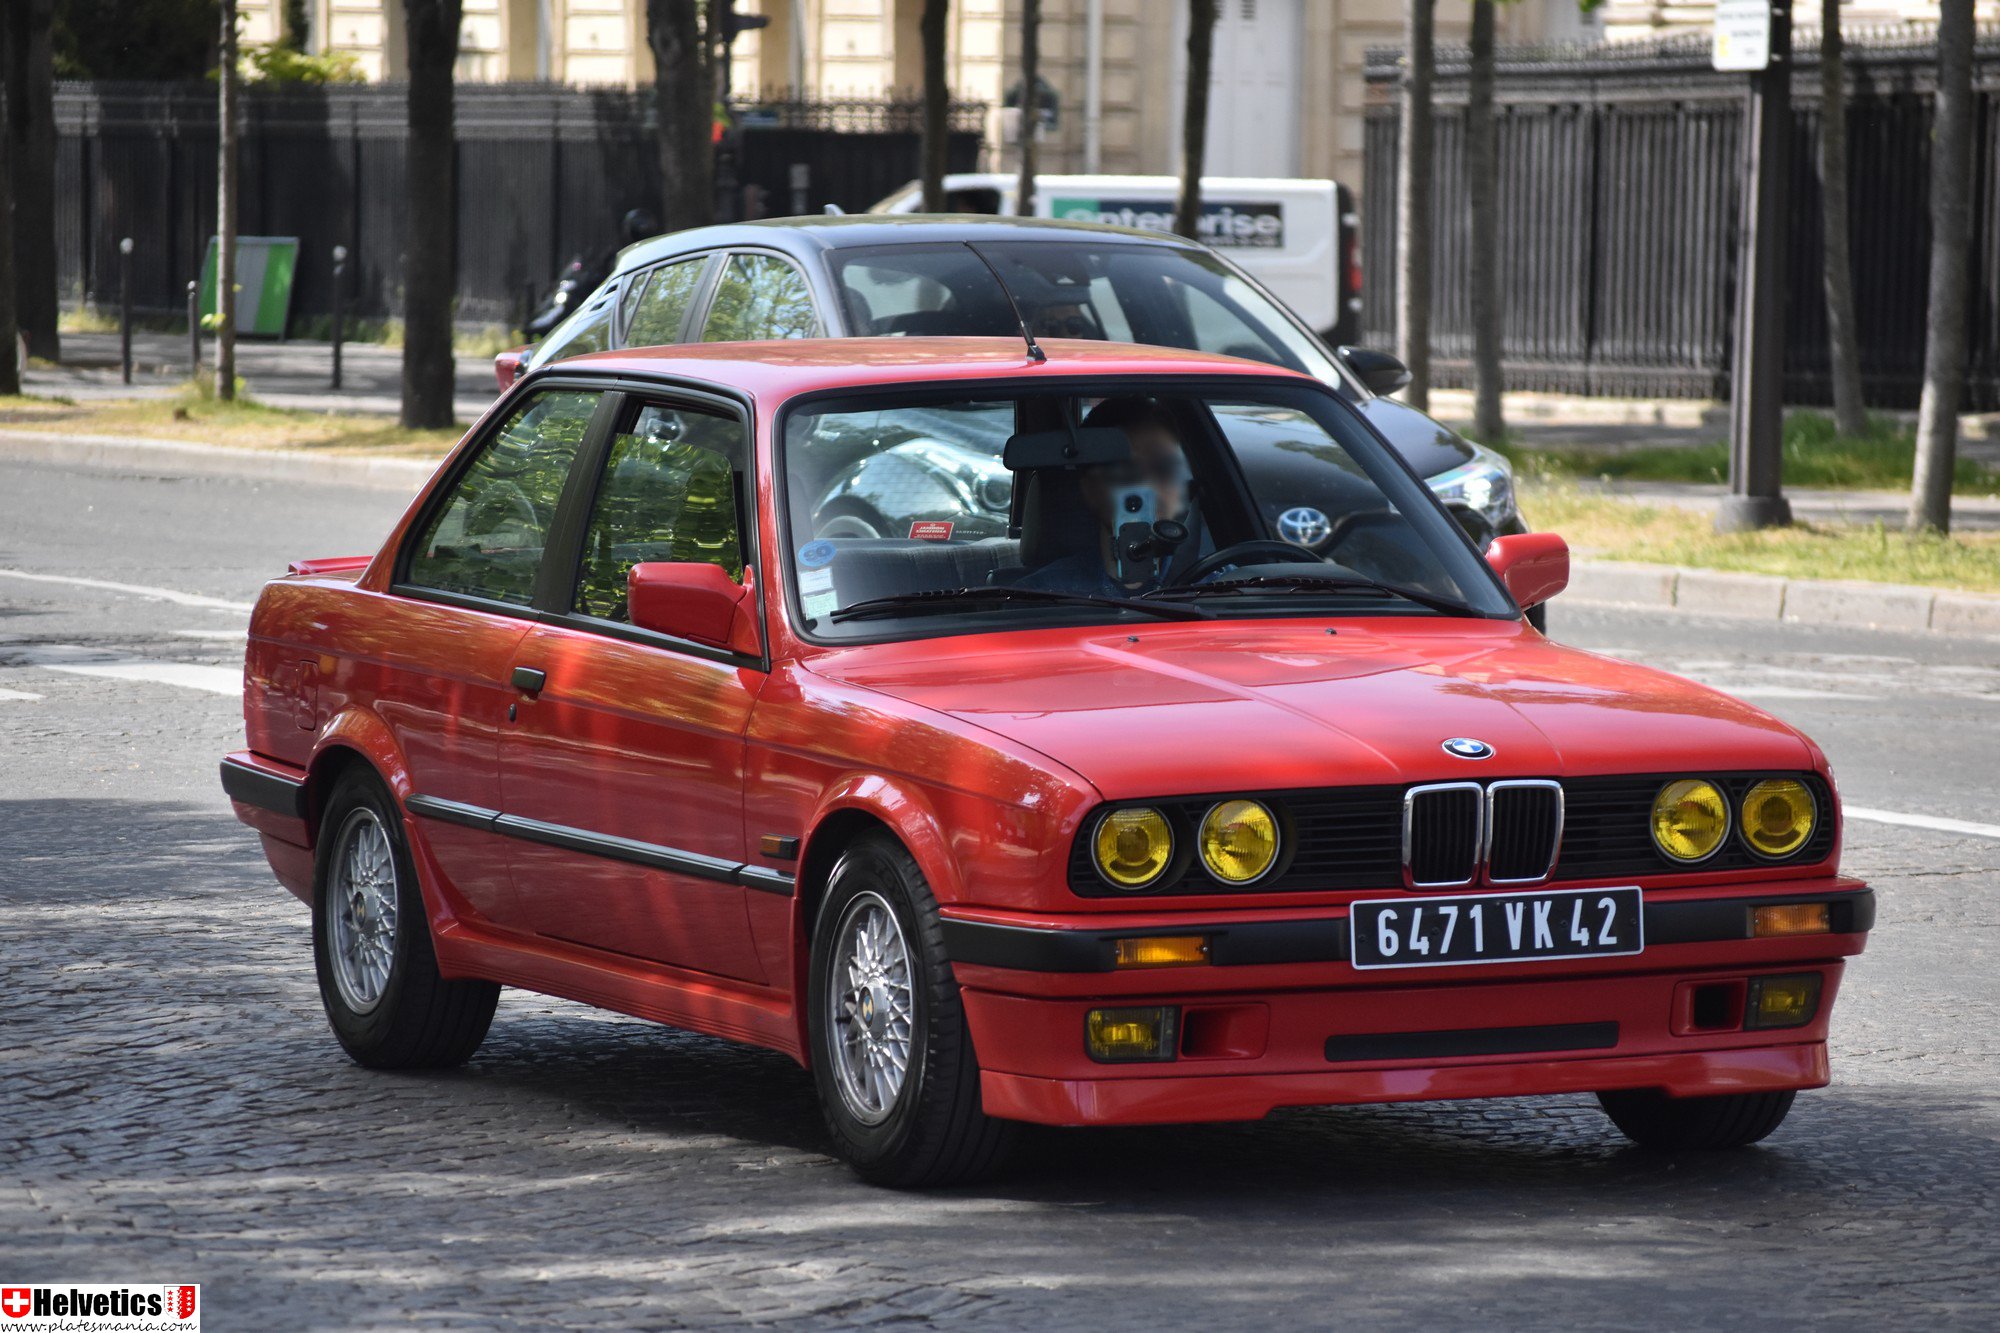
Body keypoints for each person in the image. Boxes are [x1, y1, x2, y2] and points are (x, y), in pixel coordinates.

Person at [1018, 397, 1202, 597]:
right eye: (1127, 471)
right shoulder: (1039, 598)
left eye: (1164, 469)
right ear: (1090, 488)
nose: (1149, 487)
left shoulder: (1219, 589)